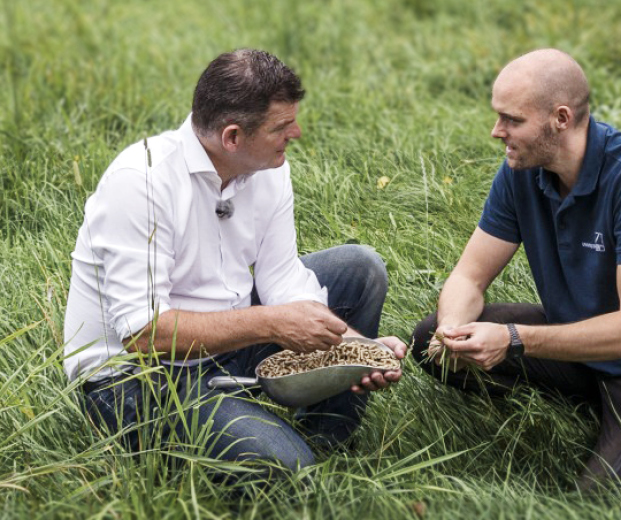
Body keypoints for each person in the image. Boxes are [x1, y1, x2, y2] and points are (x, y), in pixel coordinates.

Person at [62, 49, 406, 478]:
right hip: (136, 383)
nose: (296, 133)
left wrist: (357, 349)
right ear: (232, 137)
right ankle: (286, 456)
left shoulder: (268, 167)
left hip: (224, 341)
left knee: (359, 267)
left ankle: (327, 442)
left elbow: (282, 279)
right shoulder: (141, 182)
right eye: (281, 126)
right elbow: (145, 334)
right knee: (286, 469)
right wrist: (270, 323)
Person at [412, 48, 621, 496]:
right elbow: (469, 278)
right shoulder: (521, 172)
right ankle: (613, 417)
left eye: (512, 119)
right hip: (583, 344)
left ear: (561, 118)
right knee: (428, 338)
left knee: (604, 502)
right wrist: (453, 330)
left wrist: (514, 339)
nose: (497, 132)